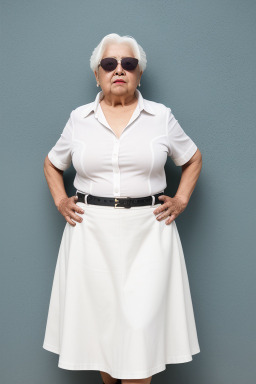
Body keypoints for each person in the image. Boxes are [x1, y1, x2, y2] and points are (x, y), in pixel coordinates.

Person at [42, 33, 202, 384]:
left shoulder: (161, 117)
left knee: (137, 342)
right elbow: (52, 163)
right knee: (106, 338)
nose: (119, 70)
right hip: (91, 234)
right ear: (97, 75)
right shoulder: (79, 119)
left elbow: (192, 158)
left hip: (148, 234)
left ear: (139, 74)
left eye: (128, 64)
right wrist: (60, 199)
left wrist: (182, 198)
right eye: (109, 64)